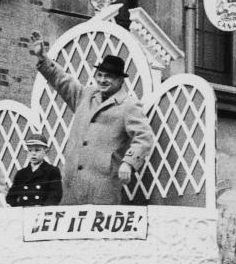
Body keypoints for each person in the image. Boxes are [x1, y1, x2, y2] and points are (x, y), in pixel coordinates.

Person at [28, 39, 153, 205]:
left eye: (108, 76)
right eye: (99, 75)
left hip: (103, 188)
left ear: (120, 81)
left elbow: (144, 137)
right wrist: (43, 58)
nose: (102, 80)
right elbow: (62, 81)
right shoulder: (86, 95)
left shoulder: (129, 106)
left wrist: (128, 163)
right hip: (71, 186)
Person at [6, 131, 63, 207]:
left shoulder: (52, 171)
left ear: (45, 152)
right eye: (30, 150)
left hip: (41, 212)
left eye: (37, 150)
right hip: (24, 213)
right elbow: (10, 197)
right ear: (27, 153)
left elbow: (55, 195)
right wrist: (19, 208)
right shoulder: (21, 173)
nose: (33, 153)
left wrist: (44, 210)